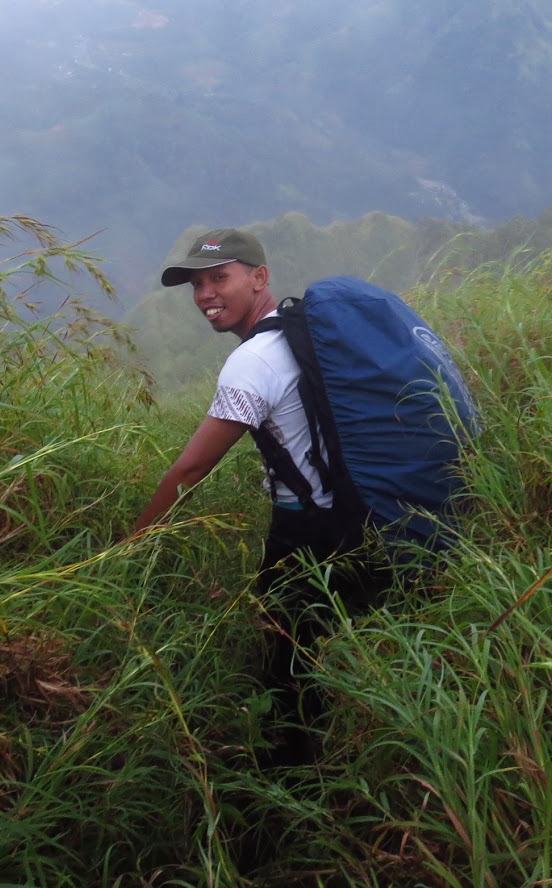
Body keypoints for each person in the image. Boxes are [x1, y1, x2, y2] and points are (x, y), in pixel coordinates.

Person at [131, 227, 379, 766]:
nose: (205, 296)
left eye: (219, 278)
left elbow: (192, 467)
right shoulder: (297, 336)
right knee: (325, 652)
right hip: (355, 517)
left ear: (259, 278)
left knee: (285, 671)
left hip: (304, 534)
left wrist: (129, 545)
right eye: (197, 285)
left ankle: (290, 786)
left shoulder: (254, 360)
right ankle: (337, 753)